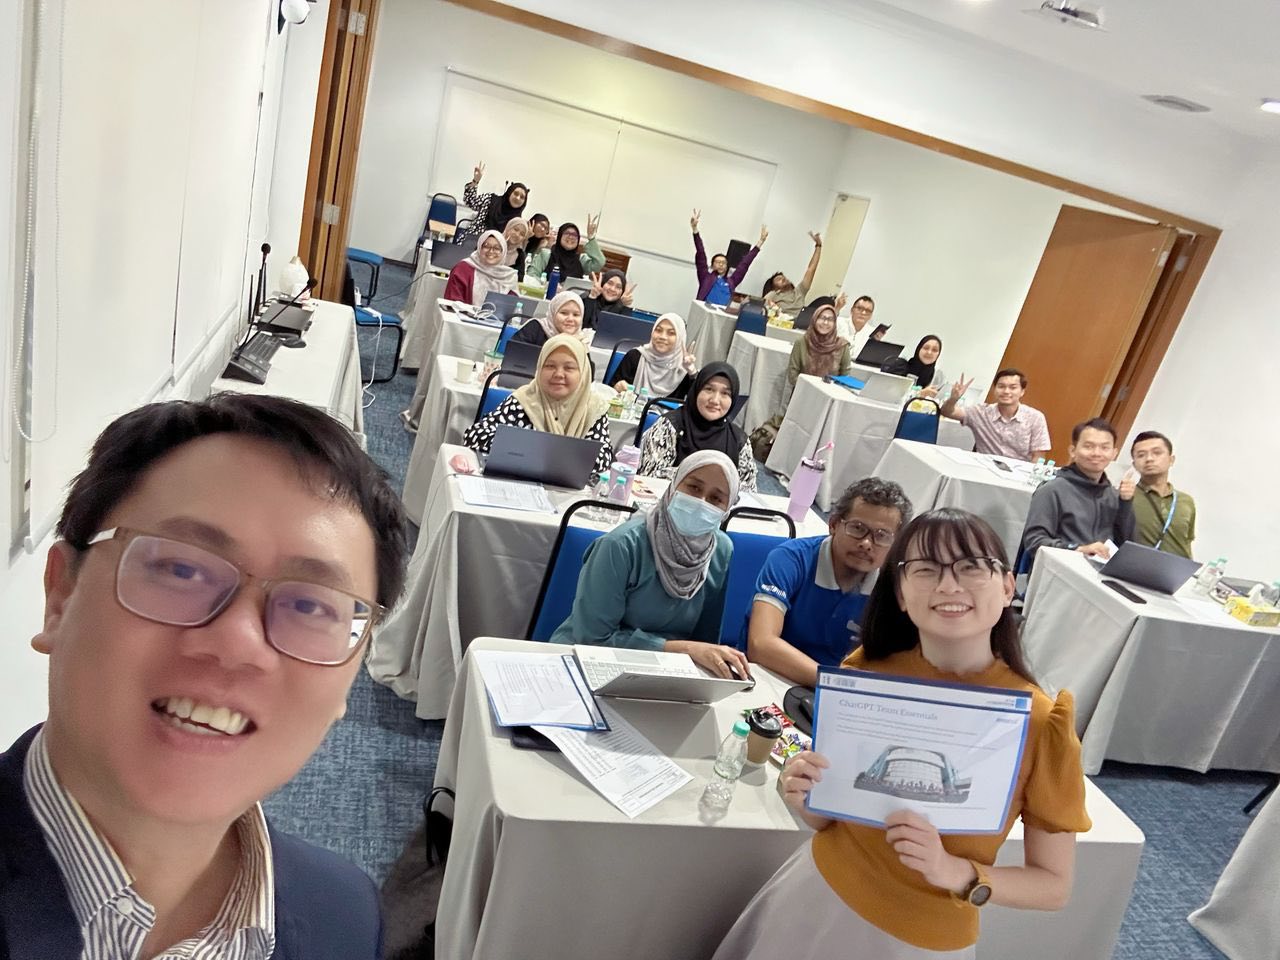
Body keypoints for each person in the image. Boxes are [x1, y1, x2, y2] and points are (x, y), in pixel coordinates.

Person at [0, 393, 409, 959]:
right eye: (181, 568)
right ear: (61, 597)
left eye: (311, 606)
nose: (238, 643)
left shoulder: (345, 914)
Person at [717, 509, 1090, 959]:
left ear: (1008, 587)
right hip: (816, 894)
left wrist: (957, 873)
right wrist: (805, 797)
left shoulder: (1041, 722)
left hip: (920, 940)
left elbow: (1053, 885)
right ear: (900, 592)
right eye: (926, 569)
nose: (948, 585)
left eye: (971, 567)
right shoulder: (867, 673)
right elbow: (834, 820)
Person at [550, 452, 751, 677]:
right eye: (694, 487)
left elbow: (705, 639)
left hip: (668, 669)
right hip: (589, 661)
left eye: (716, 499)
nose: (701, 502)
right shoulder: (621, 545)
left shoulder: (720, 550)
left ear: (727, 509)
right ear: (674, 486)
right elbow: (592, 639)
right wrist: (682, 649)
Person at [743, 477, 911, 686]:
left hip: (839, 691)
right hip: (768, 677)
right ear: (833, 524)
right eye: (857, 528)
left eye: (882, 535)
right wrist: (838, 683)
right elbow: (761, 644)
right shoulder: (791, 559)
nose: (867, 543)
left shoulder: (896, 585)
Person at [460, 333, 614, 479]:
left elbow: (604, 458)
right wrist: (532, 450)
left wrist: (542, 453)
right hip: (520, 484)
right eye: (550, 366)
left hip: (568, 491)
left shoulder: (594, 408)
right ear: (539, 368)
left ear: (584, 373)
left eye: (569, 368)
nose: (558, 374)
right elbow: (475, 435)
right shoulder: (524, 400)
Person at [1020, 417, 1136, 562]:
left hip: (1102, 570)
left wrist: (1125, 503)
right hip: (1060, 568)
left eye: (1104, 448)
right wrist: (1078, 549)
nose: (1096, 453)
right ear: (1073, 451)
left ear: (1114, 454)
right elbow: (1034, 541)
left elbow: (1127, 545)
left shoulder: (1114, 495)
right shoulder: (1052, 490)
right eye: (1088, 446)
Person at [637, 362, 758, 492]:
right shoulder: (669, 426)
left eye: (725, 393)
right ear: (697, 390)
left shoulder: (738, 440)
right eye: (709, 389)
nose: (715, 400)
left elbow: (748, 491)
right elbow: (649, 478)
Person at [940, 367, 1051, 462]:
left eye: (1013, 387)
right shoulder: (981, 412)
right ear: (995, 389)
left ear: (1022, 391)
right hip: (984, 470)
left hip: (1017, 474)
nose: (1006, 391)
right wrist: (953, 399)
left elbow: (1038, 457)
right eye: (1001, 386)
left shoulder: (1035, 418)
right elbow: (948, 412)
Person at [1128, 431, 1197, 559]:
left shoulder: (1186, 501)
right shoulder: (1125, 497)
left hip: (1178, 569)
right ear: (1134, 464)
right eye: (1141, 455)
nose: (1149, 459)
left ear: (1171, 460)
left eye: (1157, 453)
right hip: (1137, 566)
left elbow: (1186, 542)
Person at [608, 313, 697, 399]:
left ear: (680, 338)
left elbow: (696, 401)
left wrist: (691, 371)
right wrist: (617, 387)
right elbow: (610, 391)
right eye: (658, 330)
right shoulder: (635, 356)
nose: (663, 337)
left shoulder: (683, 368)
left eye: (671, 333)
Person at [692, 210, 765, 306]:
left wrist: (760, 243)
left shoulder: (732, 281)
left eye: (724, 262)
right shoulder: (705, 277)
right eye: (718, 262)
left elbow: (745, 264)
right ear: (712, 265)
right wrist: (695, 229)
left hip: (723, 312)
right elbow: (701, 253)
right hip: (704, 310)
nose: (721, 264)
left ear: (727, 266)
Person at [786, 300, 853, 390]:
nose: (825, 322)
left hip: (830, 393)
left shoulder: (842, 345)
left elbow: (845, 377)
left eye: (830, 319)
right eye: (822, 318)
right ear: (814, 319)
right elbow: (792, 374)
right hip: (802, 391)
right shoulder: (802, 342)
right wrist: (810, 388)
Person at [443, 229, 517, 307]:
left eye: (497, 248)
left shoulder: (508, 276)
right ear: (479, 248)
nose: (491, 251)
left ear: (503, 252)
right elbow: (452, 302)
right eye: (486, 246)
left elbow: (512, 307)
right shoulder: (463, 269)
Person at [460, 160, 528, 239]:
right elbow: (470, 201)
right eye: (516, 193)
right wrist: (475, 181)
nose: (518, 198)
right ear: (509, 193)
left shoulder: (517, 223)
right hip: (472, 239)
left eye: (522, 197)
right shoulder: (490, 199)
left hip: (496, 246)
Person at [762, 231, 822, 314]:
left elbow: (811, 269)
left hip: (799, 321)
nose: (783, 279)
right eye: (778, 279)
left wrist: (818, 245)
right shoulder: (774, 294)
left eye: (783, 277)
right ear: (775, 288)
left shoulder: (800, 291)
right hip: (781, 321)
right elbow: (761, 306)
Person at [527, 218, 606, 280]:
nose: (571, 237)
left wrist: (591, 238)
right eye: (567, 233)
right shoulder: (546, 255)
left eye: (574, 235)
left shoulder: (581, 260)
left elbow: (599, 262)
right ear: (560, 236)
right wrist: (548, 285)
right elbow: (531, 275)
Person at [509, 290, 586, 349]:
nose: (570, 319)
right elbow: (512, 354)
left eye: (576, 315)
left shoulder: (581, 341)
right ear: (553, 313)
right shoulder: (535, 327)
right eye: (564, 313)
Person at [502, 217, 531, 281]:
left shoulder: (520, 254)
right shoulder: (494, 244)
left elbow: (519, 279)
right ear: (508, 227)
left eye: (522, 234)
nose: (517, 235)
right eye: (515, 229)